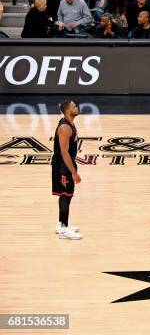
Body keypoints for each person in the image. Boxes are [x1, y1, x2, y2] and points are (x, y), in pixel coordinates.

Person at [53, 100, 82, 240]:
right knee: (65, 194)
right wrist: (74, 173)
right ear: (67, 111)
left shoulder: (69, 122)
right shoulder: (65, 128)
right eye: (74, 107)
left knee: (66, 195)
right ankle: (64, 229)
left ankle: (61, 224)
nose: (77, 108)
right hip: (63, 165)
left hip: (66, 163)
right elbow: (64, 152)